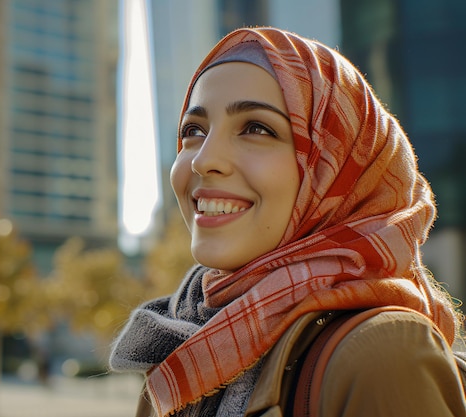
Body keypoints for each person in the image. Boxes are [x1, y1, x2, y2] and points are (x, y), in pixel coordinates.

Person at [110, 26, 466, 417]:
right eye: (194, 130)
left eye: (257, 128)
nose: (202, 159)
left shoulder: (382, 355)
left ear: (337, 172)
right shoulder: (177, 346)